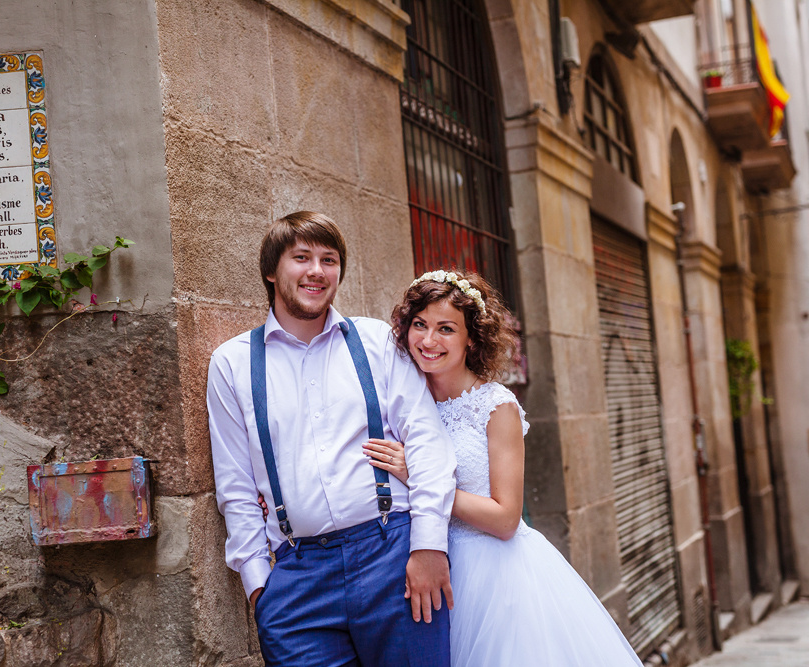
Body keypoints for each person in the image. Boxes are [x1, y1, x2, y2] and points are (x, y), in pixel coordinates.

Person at [206, 211, 458, 666]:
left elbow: (427, 442)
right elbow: (235, 484)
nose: (317, 271)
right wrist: (259, 586)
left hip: (394, 558)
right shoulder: (232, 363)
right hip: (298, 578)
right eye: (301, 257)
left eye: (329, 259)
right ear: (271, 270)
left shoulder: (376, 340)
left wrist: (427, 546)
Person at [362, 269, 644, 666]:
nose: (428, 341)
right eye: (420, 325)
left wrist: (421, 478)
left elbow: (506, 518)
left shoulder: (496, 407)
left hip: (494, 575)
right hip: (421, 566)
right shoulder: (399, 401)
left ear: (471, 338)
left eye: (446, 329)